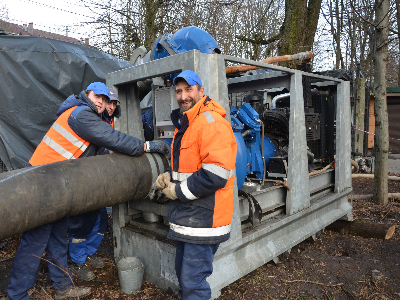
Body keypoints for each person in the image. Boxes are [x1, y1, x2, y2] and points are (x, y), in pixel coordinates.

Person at [7, 82, 169, 300]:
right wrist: (146, 147)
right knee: (35, 241)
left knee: (57, 238)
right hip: (43, 185)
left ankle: (62, 287)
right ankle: (17, 294)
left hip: (55, 184)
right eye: (98, 97)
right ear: (87, 95)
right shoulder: (81, 115)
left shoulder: (85, 114)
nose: (101, 102)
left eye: (105, 99)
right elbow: (112, 138)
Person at [155, 70, 237, 300]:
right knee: (185, 277)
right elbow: (191, 167)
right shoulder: (189, 124)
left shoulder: (210, 123)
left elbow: (215, 175)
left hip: (205, 219)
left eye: (188, 90)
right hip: (191, 217)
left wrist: (176, 191)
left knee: (193, 283)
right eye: (179, 91)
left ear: (201, 91)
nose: (183, 96)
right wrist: (169, 176)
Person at [67, 88, 121, 281]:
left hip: (101, 183)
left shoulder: (109, 121)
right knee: (83, 223)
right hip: (85, 181)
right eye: (108, 103)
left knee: (101, 221)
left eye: (114, 104)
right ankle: (78, 261)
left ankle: (89, 252)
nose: (111, 107)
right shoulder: (89, 119)